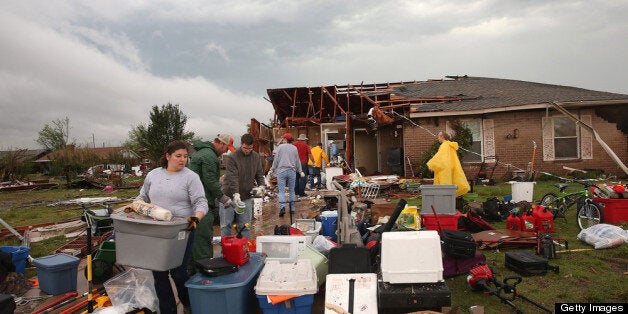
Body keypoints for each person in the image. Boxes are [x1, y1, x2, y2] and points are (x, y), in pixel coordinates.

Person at [135, 140, 209, 314]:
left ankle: (189, 304)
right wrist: (136, 208)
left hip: (181, 230)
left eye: (185, 156)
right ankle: (168, 311)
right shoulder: (153, 175)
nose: (182, 160)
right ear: (168, 156)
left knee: (178, 272)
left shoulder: (191, 177)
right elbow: (142, 198)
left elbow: (201, 202)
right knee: (159, 273)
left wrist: (195, 218)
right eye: (178, 156)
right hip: (156, 231)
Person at [188, 134, 235, 265]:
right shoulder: (210, 156)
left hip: (192, 203)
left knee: (193, 242)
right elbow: (210, 181)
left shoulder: (202, 152)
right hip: (201, 204)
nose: (226, 151)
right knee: (202, 241)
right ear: (221, 144)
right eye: (226, 148)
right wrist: (224, 198)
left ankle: (191, 273)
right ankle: (203, 275)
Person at [220, 133, 266, 239]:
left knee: (245, 226)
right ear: (241, 144)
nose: (247, 150)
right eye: (245, 148)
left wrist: (262, 186)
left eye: (250, 148)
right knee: (225, 225)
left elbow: (259, 174)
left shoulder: (255, 157)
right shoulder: (233, 157)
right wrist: (236, 194)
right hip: (229, 196)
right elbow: (232, 177)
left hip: (245, 197)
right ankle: (226, 251)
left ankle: (244, 250)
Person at [426, 131, 470, 197]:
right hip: (450, 168)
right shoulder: (450, 145)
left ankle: (444, 202)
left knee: (444, 187)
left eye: (438, 137)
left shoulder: (444, 146)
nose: (438, 138)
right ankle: (449, 201)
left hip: (445, 170)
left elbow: (440, 157)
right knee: (450, 187)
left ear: (442, 137)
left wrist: (432, 165)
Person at [269, 133, 303, 217]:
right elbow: (297, 160)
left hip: (281, 171)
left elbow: (276, 159)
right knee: (292, 190)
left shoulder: (280, 147)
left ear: (286, 139)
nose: (283, 140)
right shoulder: (294, 148)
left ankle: (282, 207)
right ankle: (292, 209)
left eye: (283, 139)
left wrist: (272, 169)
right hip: (292, 171)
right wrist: (300, 171)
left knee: (281, 191)